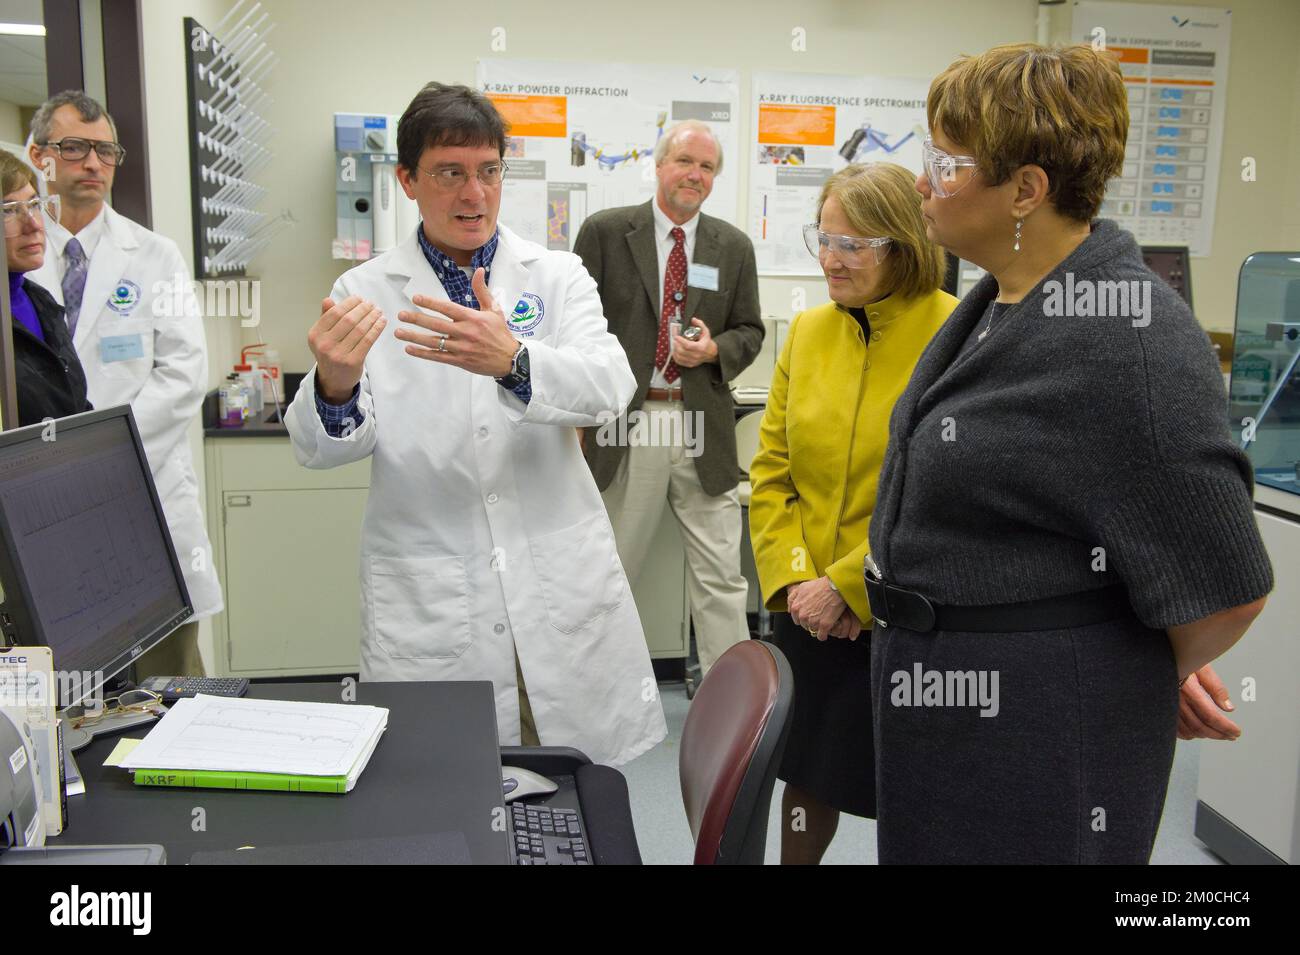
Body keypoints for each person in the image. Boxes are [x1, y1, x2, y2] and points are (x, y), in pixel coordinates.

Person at [867, 43, 1273, 863]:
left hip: (1038, 740)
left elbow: (1228, 587)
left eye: (947, 165)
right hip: (944, 713)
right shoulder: (999, 299)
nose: (922, 182)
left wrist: (1134, 663)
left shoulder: (1135, 343)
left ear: (1025, 189)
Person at [283, 82, 666, 766]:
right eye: (450, 173)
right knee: (446, 793)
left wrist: (514, 361)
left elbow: (611, 385)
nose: (474, 194)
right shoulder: (362, 291)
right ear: (407, 180)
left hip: (555, 587)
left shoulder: (556, 276)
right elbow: (321, 448)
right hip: (434, 603)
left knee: (574, 789)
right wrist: (336, 385)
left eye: (488, 171)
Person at [748, 163, 957, 864]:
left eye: (853, 244)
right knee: (807, 776)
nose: (830, 259)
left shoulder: (956, 332)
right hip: (806, 610)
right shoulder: (808, 332)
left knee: (921, 786)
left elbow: (940, 487)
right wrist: (798, 581)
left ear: (902, 244)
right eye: (824, 238)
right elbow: (773, 472)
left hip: (901, 604)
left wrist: (846, 585)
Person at [25, 91, 221, 676]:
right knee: (68, 682)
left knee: (169, 680)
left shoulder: (154, 255)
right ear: (39, 157)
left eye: (105, 151)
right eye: (74, 148)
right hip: (43, 499)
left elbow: (185, 373)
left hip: (144, 488)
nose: (92, 163)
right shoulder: (18, 259)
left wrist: (102, 458)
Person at [574, 120, 764, 675]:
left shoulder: (732, 246)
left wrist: (712, 351)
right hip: (627, 420)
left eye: (707, 167)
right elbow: (576, 328)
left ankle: (735, 708)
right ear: (658, 166)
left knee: (722, 578)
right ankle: (588, 686)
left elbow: (749, 331)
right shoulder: (607, 232)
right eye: (685, 161)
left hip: (702, 423)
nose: (695, 175)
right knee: (610, 567)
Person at [1, 149, 92, 426]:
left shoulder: (40, 301)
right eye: (8, 211)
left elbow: (75, 405)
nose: (32, 225)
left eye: (34, 205)